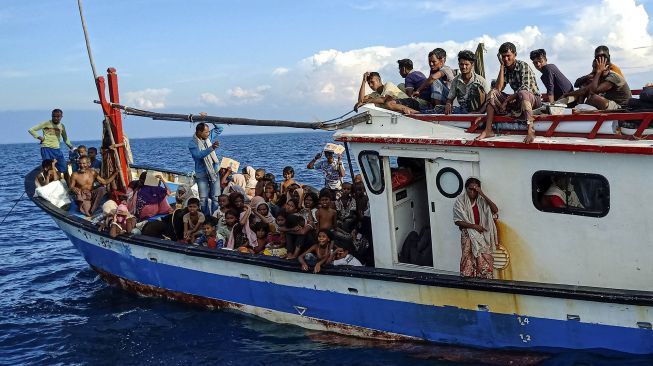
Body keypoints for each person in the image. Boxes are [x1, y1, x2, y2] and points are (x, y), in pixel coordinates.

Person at [477, 42, 541, 144]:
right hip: (519, 101)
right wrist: (502, 67)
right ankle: (488, 129)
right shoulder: (506, 68)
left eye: (508, 56)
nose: (506, 59)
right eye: (503, 57)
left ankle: (531, 130)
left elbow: (525, 88)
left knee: (523, 93)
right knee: (492, 92)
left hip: (533, 100)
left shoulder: (523, 66)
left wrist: (507, 100)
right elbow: (498, 88)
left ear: (515, 55)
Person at [453, 178, 499, 279]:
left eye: (475, 190)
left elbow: (495, 209)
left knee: (483, 258)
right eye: (470, 189)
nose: (473, 192)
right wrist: (474, 226)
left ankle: (483, 279)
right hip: (467, 234)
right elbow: (457, 221)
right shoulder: (460, 202)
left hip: (481, 234)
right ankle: (468, 280)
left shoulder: (481, 201)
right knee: (468, 258)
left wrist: (482, 193)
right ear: (466, 189)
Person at [562, 55, 631, 111]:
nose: (593, 70)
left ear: (606, 67)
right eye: (593, 67)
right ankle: (579, 110)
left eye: (596, 68)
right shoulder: (601, 76)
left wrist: (598, 72)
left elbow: (593, 90)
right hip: (611, 104)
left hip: (621, 107)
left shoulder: (613, 77)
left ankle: (581, 111)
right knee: (585, 88)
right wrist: (566, 94)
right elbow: (584, 89)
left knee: (594, 97)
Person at [28, 109, 74, 180]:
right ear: (51, 116)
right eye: (54, 116)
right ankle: (47, 182)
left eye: (58, 116)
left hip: (56, 149)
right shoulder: (46, 123)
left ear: (61, 116)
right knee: (48, 167)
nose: (56, 118)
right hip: (46, 148)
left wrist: (71, 147)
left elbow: (65, 138)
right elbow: (31, 130)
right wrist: (39, 137)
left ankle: (67, 184)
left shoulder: (62, 126)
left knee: (64, 168)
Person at [188, 123, 221, 216]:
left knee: (216, 197)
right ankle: (206, 217)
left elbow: (220, 128)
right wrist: (212, 148)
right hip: (201, 173)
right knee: (203, 198)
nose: (208, 133)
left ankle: (215, 216)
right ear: (199, 132)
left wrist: (208, 119)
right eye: (206, 132)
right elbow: (198, 155)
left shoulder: (208, 137)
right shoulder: (192, 143)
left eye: (208, 131)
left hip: (214, 171)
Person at [445, 50, 490, 115]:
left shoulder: (480, 80)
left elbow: (489, 99)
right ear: (458, 64)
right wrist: (448, 104)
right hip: (462, 110)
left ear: (472, 65)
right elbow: (450, 98)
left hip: (478, 112)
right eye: (461, 64)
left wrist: (480, 111)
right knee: (438, 109)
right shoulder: (456, 80)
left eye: (466, 64)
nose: (463, 67)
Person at [354, 72, 419, 114]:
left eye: (372, 82)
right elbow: (360, 100)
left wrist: (364, 101)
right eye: (368, 83)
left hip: (410, 103)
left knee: (388, 103)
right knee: (377, 105)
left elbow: (383, 99)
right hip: (399, 107)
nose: (370, 85)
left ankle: (417, 113)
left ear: (378, 80)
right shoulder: (374, 94)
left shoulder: (388, 85)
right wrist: (363, 81)